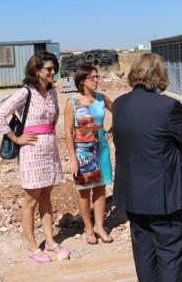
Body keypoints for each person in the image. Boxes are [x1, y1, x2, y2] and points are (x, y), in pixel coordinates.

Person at [112, 53, 182, 282]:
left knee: (143, 251)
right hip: (164, 196)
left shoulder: (119, 104)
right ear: (159, 74)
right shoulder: (168, 106)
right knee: (169, 252)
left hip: (133, 195)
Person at [0, 51, 70, 263]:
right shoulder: (24, 92)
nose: (53, 72)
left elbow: (54, 118)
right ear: (36, 71)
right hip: (31, 151)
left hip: (49, 149)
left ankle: (50, 240)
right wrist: (16, 138)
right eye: (49, 69)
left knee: (46, 196)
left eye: (55, 68)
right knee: (31, 200)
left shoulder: (52, 92)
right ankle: (32, 245)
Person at [64, 64, 114, 244]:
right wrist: (72, 158)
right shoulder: (72, 101)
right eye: (92, 77)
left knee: (100, 187)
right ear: (82, 80)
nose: (96, 80)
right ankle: (87, 226)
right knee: (84, 190)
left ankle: (99, 225)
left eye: (97, 77)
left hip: (101, 146)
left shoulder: (102, 99)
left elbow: (119, 111)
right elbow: (68, 132)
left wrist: (112, 129)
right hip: (83, 149)